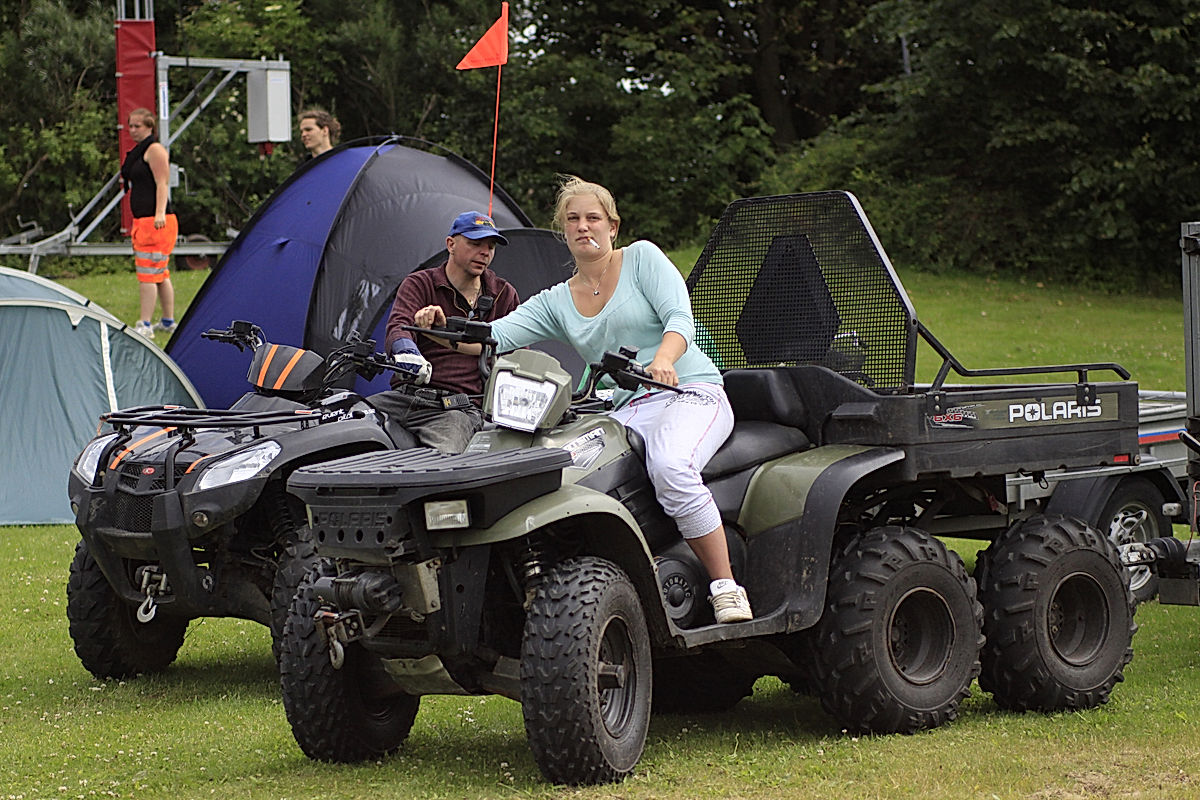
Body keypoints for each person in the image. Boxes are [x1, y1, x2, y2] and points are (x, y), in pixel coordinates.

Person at [414, 177, 753, 624]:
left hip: (687, 393)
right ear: (563, 231)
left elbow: (679, 318)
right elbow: (494, 337)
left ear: (613, 226)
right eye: (573, 219)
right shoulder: (558, 299)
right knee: (562, 472)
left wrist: (665, 360)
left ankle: (725, 587)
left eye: (593, 217)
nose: (583, 226)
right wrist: (438, 327)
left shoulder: (643, 259)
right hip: (625, 410)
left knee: (671, 466)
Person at [372, 211, 520, 454]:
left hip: (457, 408)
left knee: (443, 465)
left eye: (491, 247)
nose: (485, 252)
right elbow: (398, 328)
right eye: (475, 244)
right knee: (343, 421)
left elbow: (517, 356)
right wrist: (408, 352)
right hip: (405, 397)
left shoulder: (503, 294)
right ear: (450, 244)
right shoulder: (420, 283)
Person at [120, 107, 176, 338]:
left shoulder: (154, 150)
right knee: (160, 274)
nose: (133, 130)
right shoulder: (138, 151)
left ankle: (144, 324)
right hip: (144, 221)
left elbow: (162, 183)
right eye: (130, 126)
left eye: (138, 126)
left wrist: (159, 213)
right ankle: (167, 321)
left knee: (149, 275)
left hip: (156, 223)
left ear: (150, 127)